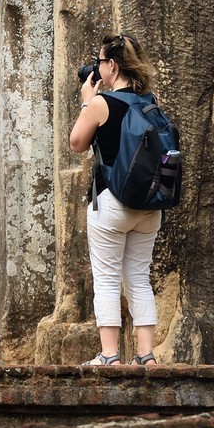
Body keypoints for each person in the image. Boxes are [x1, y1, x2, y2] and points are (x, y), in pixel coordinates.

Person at [68, 33, 161, 366]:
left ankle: (109, 355)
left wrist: (85, 101)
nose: (97, 66)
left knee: (107, 277)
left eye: (100, 60)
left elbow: (77, 143)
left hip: (111, 201)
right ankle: (146, 355)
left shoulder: (100, 103)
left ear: (111, 65)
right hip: (149, 206)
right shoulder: (150, 102)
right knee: (138, 275)